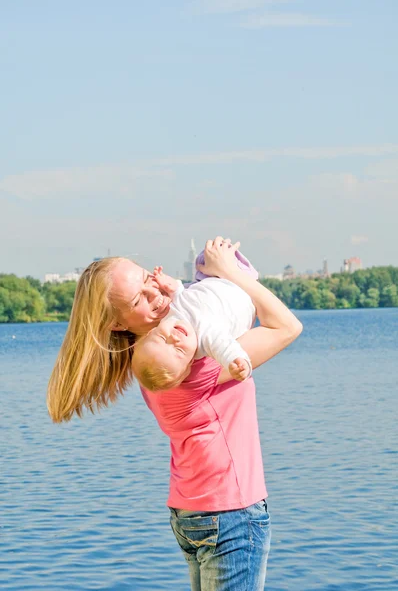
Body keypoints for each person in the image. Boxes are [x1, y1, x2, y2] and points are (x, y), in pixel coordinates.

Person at [47, 236, 303, 590]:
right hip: (229, 511)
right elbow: (286, 326)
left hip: (192, 510)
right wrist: (230, 272)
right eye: (139, 299)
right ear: (116, 323)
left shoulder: (153, 362)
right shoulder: (192, 365)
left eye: (146, 279)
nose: (156, 293)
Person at [131, 270, 257, 391]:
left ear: (151, 332)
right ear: (190, 361)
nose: (174, 338)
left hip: (217, 279)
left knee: (206, 257)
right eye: (179, 349)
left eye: (163, 338)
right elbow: (225, 349)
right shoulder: (206, 338)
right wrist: (237, 362)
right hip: (245, 293)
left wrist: (169, 284)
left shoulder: (171, 314)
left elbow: (181, 294)